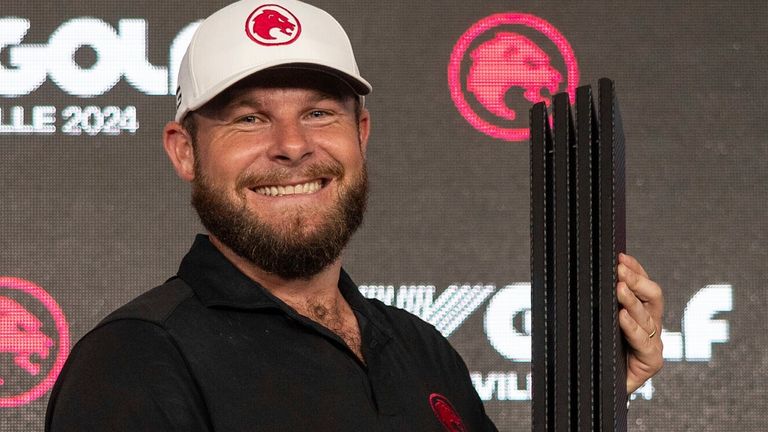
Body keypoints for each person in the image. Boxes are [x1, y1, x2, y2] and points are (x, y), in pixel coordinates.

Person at [45, 0, 664, 430]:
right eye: (249, 118)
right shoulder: (136, 362)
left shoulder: (421, 350)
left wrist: (596, 394)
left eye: (319, 112)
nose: (291, 144)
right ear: (185, 151)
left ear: (360, 134)